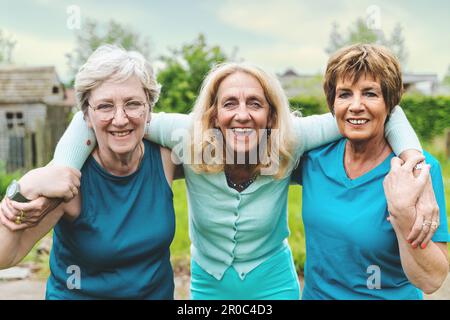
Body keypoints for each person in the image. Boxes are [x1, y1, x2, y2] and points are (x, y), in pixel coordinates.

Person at [3, 58, 431, 299]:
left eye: (255, 103)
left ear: (272, 113)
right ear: (211, 112)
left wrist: (414, 161)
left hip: (275, 282)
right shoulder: (184, 136)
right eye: (229, 103)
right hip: (207, 284)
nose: (242, 114)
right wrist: (62, 169)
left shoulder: (292, 137)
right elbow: (92, 115)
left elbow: (374, 110)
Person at [0, 45, 176, 299]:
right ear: (85, 116)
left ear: (149, 110)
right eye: (105, 106)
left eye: (133, 104)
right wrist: (24, 188)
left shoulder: (166, 159)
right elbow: (7, 255)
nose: (120, 118)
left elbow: (223, 144)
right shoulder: (67, 179)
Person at [295, 44, 448, 299]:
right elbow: (257, 150)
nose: (356, 105)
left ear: (390, 104)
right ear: (332, 103)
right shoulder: (313, 158)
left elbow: (432, 280)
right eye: (344, 94)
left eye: (370, 94)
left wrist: (403, 217)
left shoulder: (418, 172)